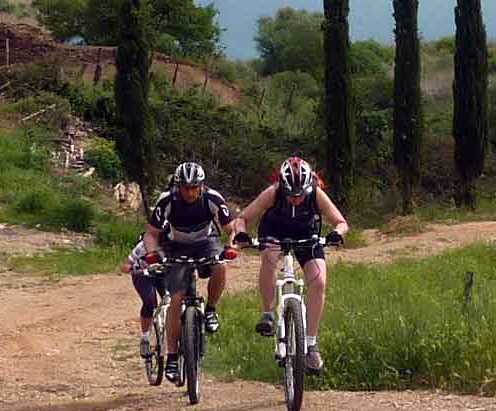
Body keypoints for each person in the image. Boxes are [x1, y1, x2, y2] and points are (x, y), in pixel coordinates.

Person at [228, 155, 348, 375]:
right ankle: (267, 313)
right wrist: (243, 233)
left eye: (300, 194)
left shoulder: (316, 195)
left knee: (319, 281)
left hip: (306, 235)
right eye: (290, 194)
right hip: (274, 231)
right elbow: (243, 218)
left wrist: (336, 234)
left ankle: (311, 343)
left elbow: (341, 222)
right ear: (282, 186)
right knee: (270, 256)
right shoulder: (272, 193)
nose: (295, 199)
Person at [143, 161, 233, 385]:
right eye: (185, 187)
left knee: (220, 265)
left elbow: (231, 229)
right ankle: (172, 358)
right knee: (176, 298)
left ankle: (211, 310)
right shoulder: (167, 201)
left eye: (195, 187)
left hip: (206, 242)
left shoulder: (212, 199)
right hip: (176, 245)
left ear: (201, 185)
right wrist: (153, 253)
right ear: (178, 186)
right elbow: (151, 234)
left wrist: (231, 245)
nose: (190, 192)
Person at [120, 233, 165, 358]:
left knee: (173, 299)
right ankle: (145, 338)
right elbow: (124, 266)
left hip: (162, 274)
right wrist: (135, 271)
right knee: (149, 302)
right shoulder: (142, 247)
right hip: (143, 275)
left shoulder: (173, 244)